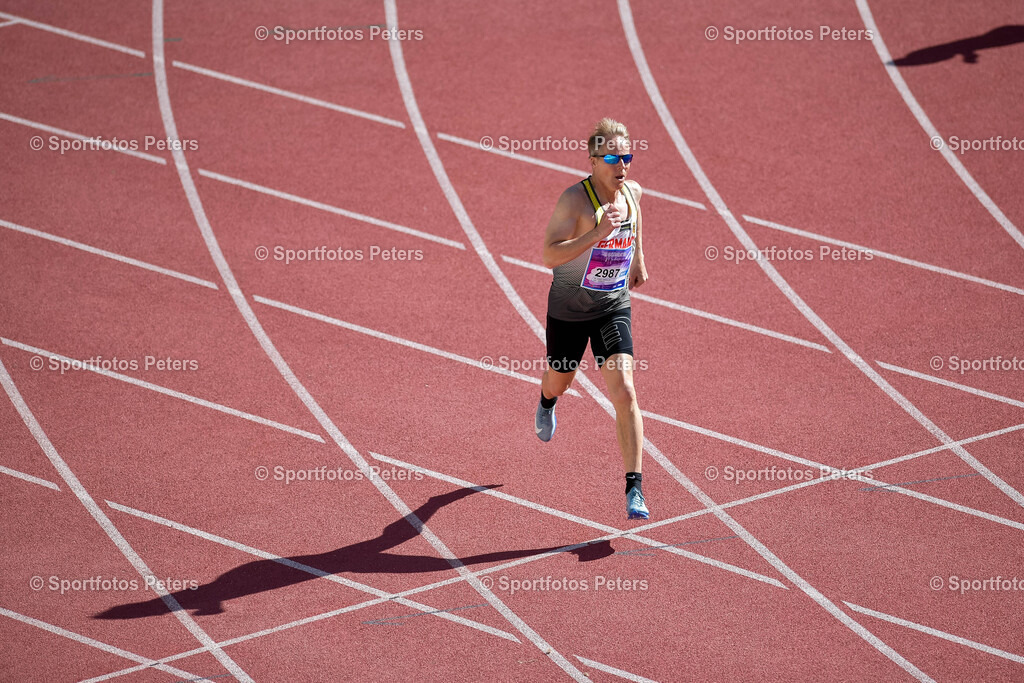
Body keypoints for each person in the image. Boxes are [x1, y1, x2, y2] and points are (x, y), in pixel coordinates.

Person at [535, 118, 650, 519]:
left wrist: (637, 259)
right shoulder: (574, 201)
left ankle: (633, 488)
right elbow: (550, 256)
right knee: (561, 379)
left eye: (628, 156)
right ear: (593, 160)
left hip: (612, 306)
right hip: (569, 309)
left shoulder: (632, 192)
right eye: (614, 158)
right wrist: (597, 234)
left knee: (626, 392)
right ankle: (547, 400)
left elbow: (636, 224)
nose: (623, 165)